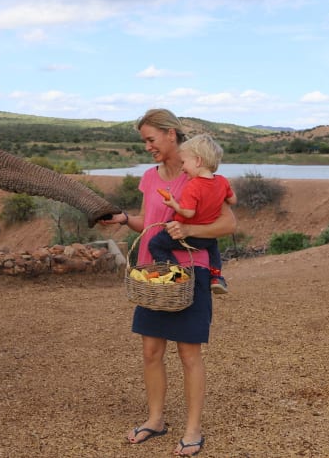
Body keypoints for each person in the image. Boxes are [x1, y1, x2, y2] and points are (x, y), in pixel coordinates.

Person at [101, 108, 236, 456]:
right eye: (144, 140)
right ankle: (156, 420)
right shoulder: (149, 177)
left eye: (151, 139)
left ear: (170, 134)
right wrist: (123, 219)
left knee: (189, 353)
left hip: (192, 273)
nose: (147, 146)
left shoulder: (200, 177)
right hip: (152, 273)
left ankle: (193, 430)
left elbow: (228, 224)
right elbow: (149, 220)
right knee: (151, 351)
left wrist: (190, 229)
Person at [147, 133, 237, 294]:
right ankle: (216, 277)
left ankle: (176, 276)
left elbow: (188, 213)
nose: (182, 167)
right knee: (213, 246)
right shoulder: (222, 181)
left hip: (186, 235)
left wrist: (174, 203)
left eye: (184, 162)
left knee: (155, 244)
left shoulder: (193, 185)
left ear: (198, 161)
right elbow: (233, 200)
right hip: (206, 237)